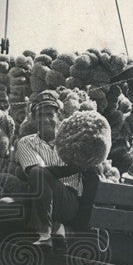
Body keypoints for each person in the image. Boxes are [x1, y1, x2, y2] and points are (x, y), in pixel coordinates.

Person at [13, 90, 96, 244]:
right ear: (33, 120)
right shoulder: (26, 142)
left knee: (40, 174)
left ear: (58, 117)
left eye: (50, 115)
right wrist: (74, 167)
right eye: (40, 115)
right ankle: (52, 230)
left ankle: (44, 233)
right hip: (38, 198)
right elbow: (35, 171)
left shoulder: (72, 140)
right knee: (37, 173)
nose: (45, 119)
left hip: (67, 202)